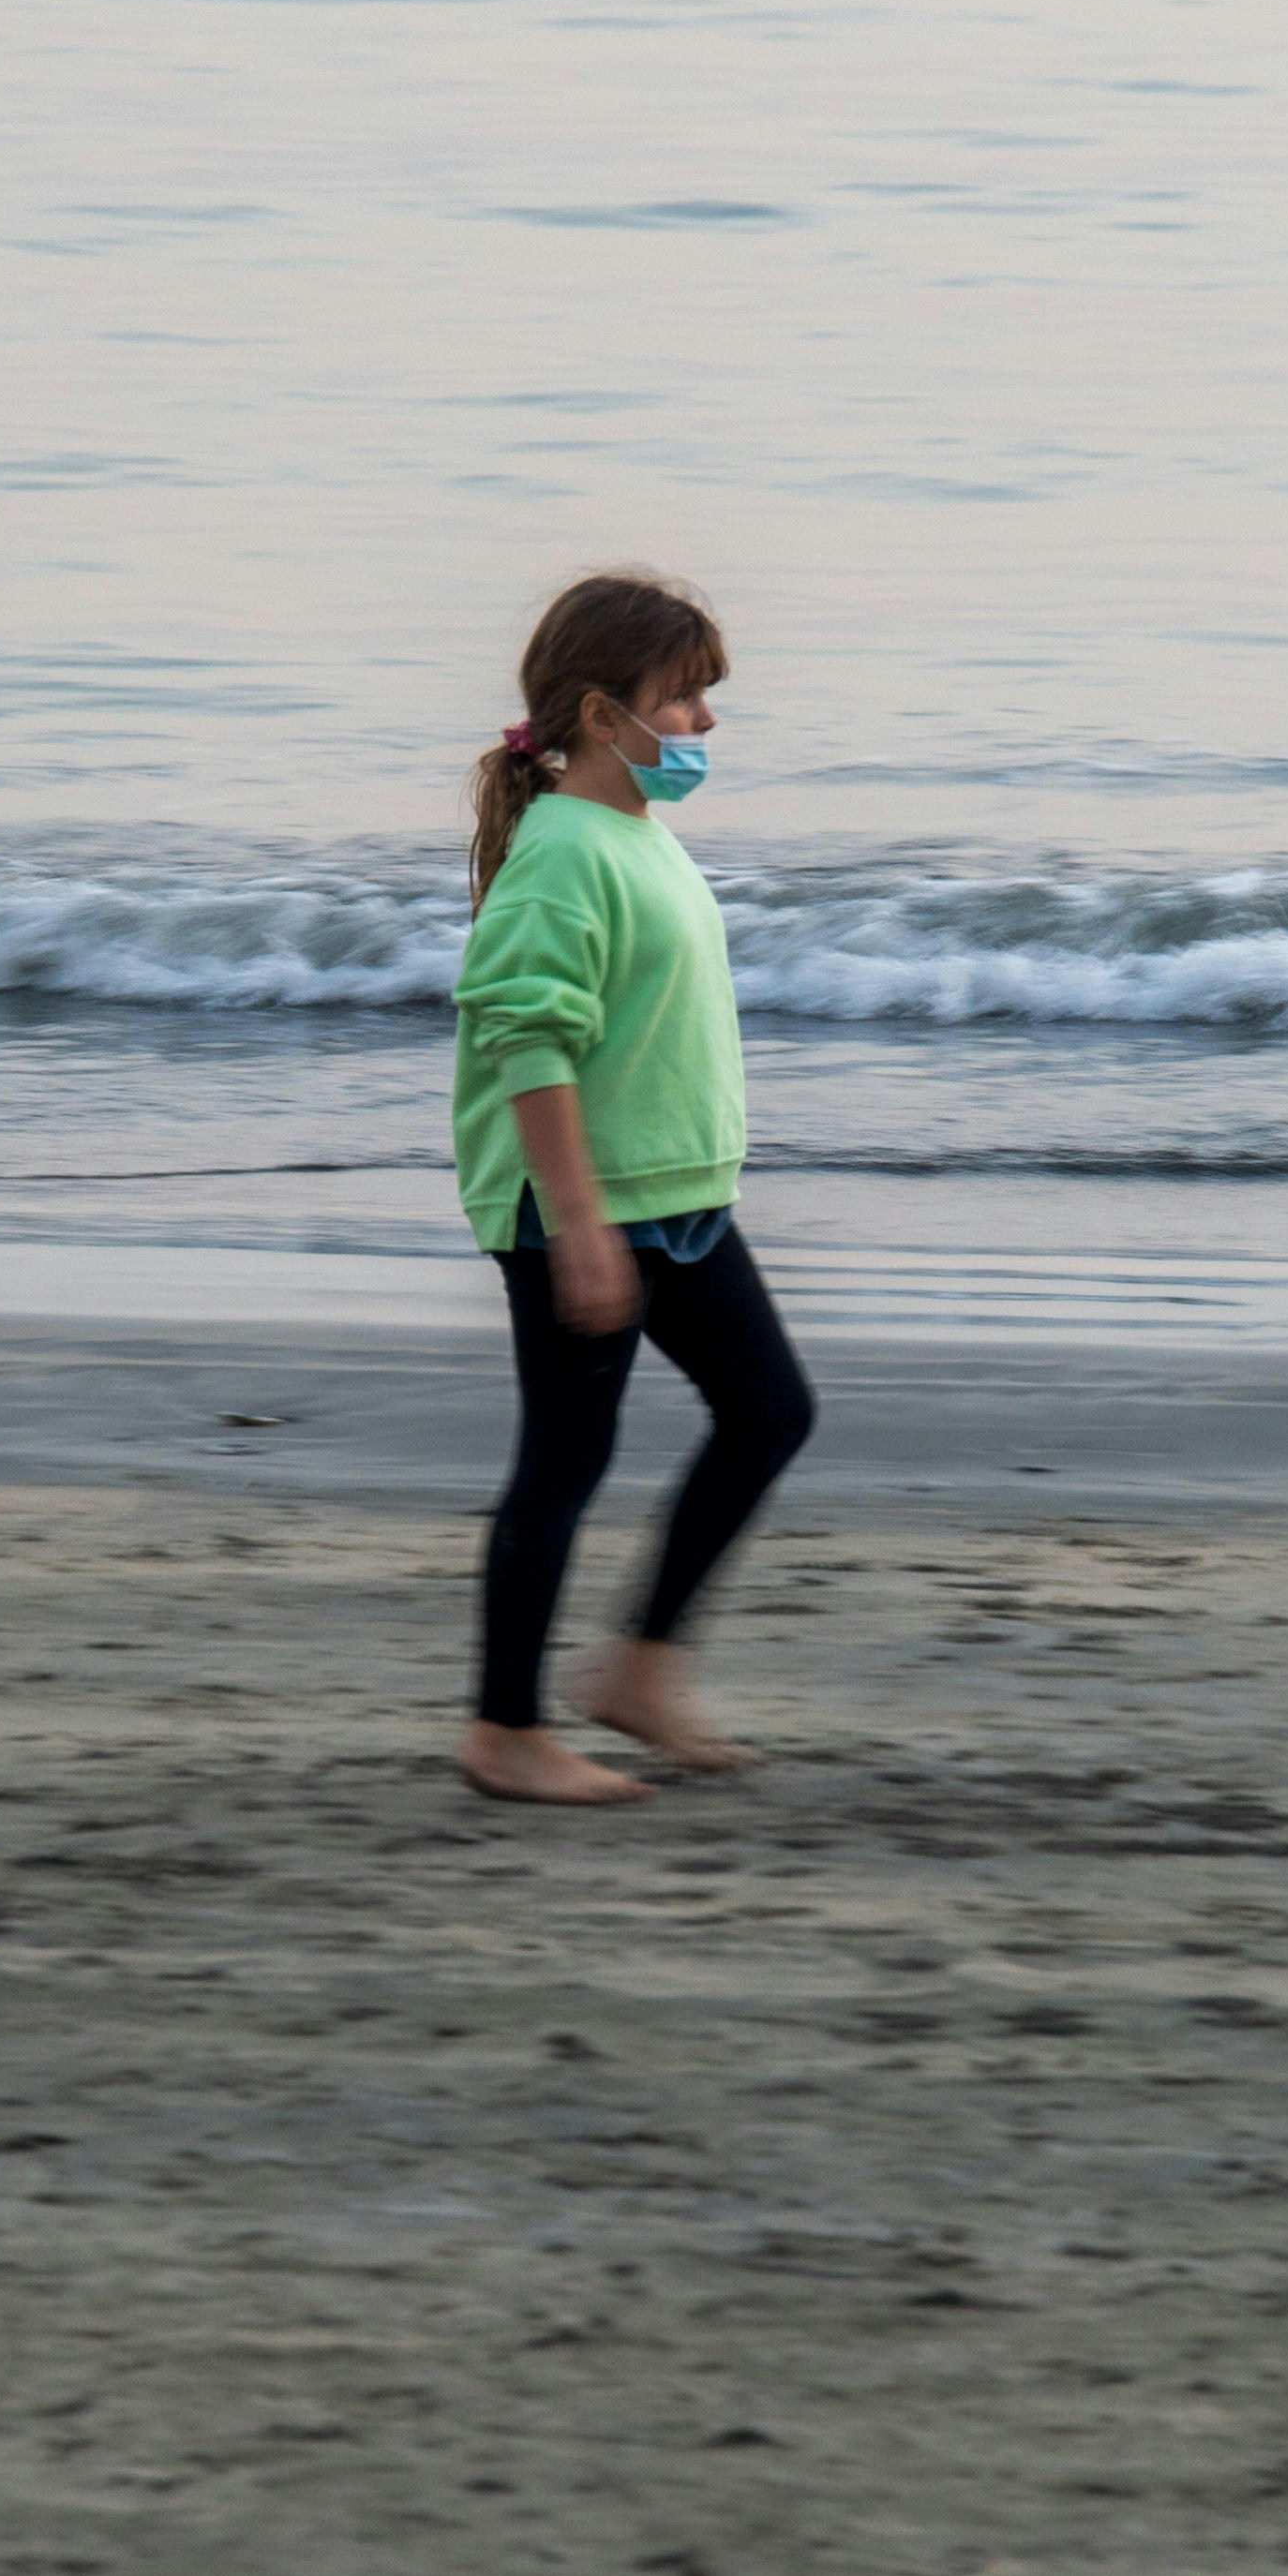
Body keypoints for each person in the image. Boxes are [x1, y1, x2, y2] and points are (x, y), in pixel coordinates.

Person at [448, 570, 816, 1805]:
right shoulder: (561, 854)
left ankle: (640, 1669)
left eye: (707, 697)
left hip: (680, 1198)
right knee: (564, 1459)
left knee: (770, 1413)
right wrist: (583, 1229)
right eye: (685, 698)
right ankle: (504, 1731)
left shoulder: (632, 835)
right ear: (606, 716)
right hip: (588, 1210)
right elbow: (527, 1042)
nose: (705, 724)